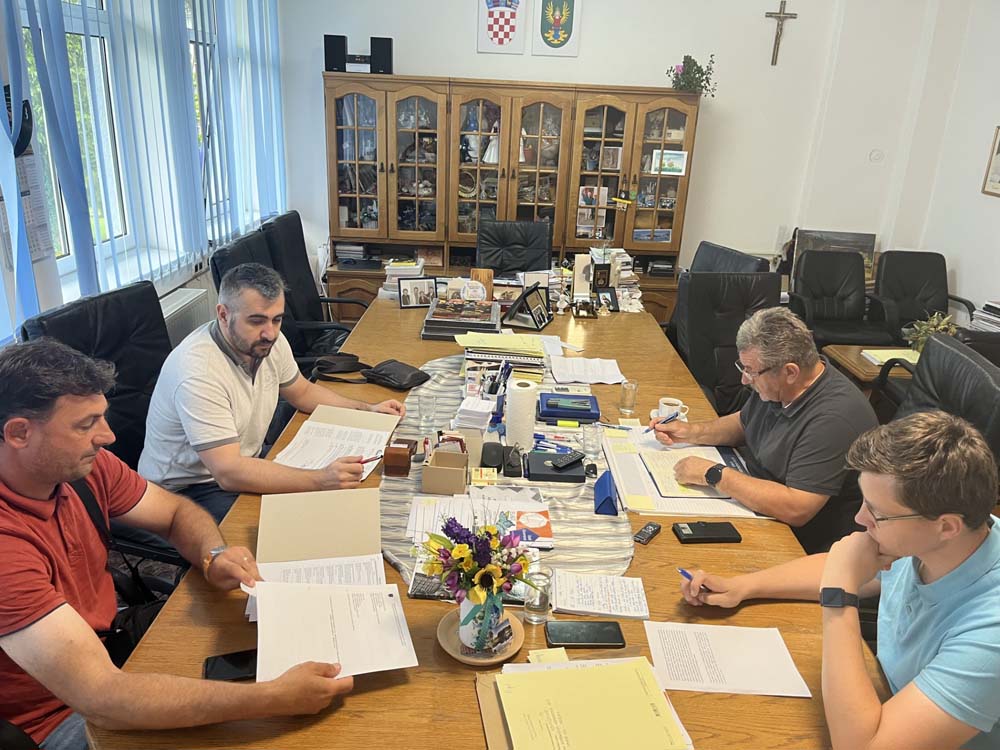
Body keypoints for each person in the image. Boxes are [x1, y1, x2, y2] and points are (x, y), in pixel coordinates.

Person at [0, 339, 354, 750]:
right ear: (19, 433)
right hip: (57, 717)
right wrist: (274, 698)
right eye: (85, 425)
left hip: (109, 646)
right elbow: (103, 699)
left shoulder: (82, 469)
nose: (108, 436)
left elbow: (175, 514)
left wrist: (213, 555)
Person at [680, 412, 1000, 750]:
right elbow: (846, 566)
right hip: (882, 697)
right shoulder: (940, 537)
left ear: (946, 526)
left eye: (877, 513)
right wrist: (744, 586)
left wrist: (839, 596)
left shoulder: (990, 634)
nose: (860, 518)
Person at [139, 263, 405, 522]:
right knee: (301, 521)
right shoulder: (198, 372)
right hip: (187, 491)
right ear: (223, 314)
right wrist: (320, 479)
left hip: (242, 460)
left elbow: (302, 392)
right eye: (256, 321)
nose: (270, 333)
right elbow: (228, 473)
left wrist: (367, 409)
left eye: (277, 319)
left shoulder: (265, 342)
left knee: (348, 494)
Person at [650, 306, 877, 553]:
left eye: (751, 371)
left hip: (803, 541)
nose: (744, 380)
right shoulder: (780, 385)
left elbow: (797, 508)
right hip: (756, 497)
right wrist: (690, 432)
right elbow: (744, 422)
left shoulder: (834, 419)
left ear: (790, 372)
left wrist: (713, 474)